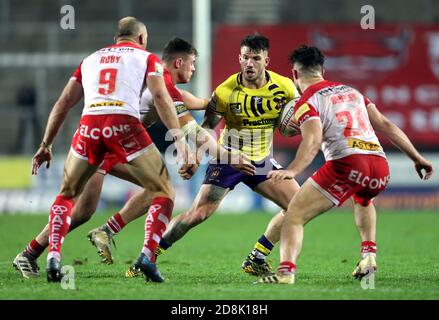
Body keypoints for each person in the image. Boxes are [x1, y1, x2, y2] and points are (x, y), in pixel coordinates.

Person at [12, 37, 254, 278]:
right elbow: (194, 131)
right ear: (179, 62)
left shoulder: (168, 87)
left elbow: (204, 103)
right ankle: (40, 251)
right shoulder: (163, 85)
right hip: (110, 140)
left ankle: (68, 242)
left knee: (88, 209)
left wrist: (227, 99)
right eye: (192, 63)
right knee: (155, 189)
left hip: (102, 139)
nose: (194, 69)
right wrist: (227, 155)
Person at [23, 17, 193, 283]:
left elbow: (64, 102)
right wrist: (179, 140)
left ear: (116, 38)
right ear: (141, 38)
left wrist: (46, 144)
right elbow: (161, 97)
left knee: (68, 195)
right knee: (164, 189)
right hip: (122, 124)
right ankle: (147, 257)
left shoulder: (90, 59)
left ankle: (53, 258)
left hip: (89, 125)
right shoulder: (147, 58)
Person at [258, 45, 434, 284]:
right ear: (322, 69)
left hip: (348, 162)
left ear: (295, 75)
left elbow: (312, 141)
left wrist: (293, 170)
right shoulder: (352, 92)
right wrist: (417, 158)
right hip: (380, 166)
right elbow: (386, 124)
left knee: (294, 215)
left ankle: (286, 272)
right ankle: (369, 256)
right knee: (364, 199)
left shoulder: (307, 101)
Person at [150, 33, 302, 277]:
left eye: (255, 58)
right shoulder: (225, 90)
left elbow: (294, 118)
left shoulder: (285, 87)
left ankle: (257, 257)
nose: (249, 63)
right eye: (245, 58)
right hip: (228, 158)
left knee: (298, 206)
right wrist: (198, 155)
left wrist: (292, 125)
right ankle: (148, 256)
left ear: (267, 61)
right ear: (239, 59)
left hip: (261, 160)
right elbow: (208, 125)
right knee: (198, 214)